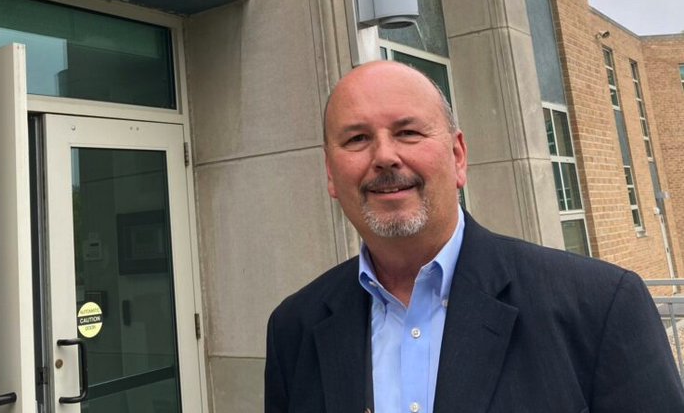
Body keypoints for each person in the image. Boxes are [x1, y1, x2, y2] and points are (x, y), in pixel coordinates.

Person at [264, 61, 684, 413]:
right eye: (357, 139)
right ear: (330, 173)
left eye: (408, 132)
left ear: (458, 156)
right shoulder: (294, 328)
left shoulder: (599, 306)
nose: (385, 156)